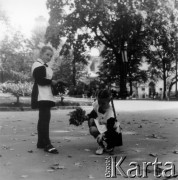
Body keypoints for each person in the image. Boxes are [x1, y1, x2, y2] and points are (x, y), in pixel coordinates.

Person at [31, 46, 60, 154]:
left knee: (43, 119)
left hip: (46, 95)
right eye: (47, 54)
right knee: (44, 119)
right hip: (41, 96)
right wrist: (51, 82)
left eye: (51, 56)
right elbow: (40, 81)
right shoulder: (38, 65)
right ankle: (47, 143)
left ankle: (41, 142)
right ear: (41, 54)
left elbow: (45, 80)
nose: (49, 57)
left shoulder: (45, 67)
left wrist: (54, 84)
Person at [88, 89, 122, 155]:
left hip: (111, 131)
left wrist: (102, 135)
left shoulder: (110, 113)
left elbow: (111, 129)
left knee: (110, 136)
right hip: (102, 127)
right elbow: (92, 114)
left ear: (109, 101)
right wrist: (88, 117)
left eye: (103, 103)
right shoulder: (97, 104)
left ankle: (110, 144)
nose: (100, 105)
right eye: (99, 102)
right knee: (92, 127)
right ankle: (101, 145)